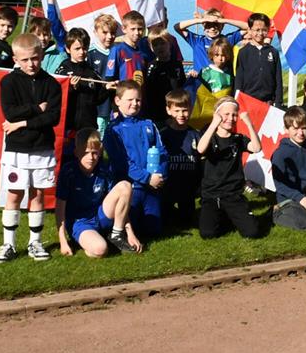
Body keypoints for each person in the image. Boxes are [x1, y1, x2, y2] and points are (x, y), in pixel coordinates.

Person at [0, 33, 62, 263]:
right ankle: (8, 244)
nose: (31, 64)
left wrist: (22, 123)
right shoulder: (8, 82)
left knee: (38, 194)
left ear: (41, 55)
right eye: (25, 60)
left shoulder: (51, 83)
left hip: (42, 148)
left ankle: (35, 242)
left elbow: (53, 118)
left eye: (35, 58)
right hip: (17, 150)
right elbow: (9, 112)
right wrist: (36, 109)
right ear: (15, 58)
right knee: (14, 194)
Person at [56, 128, 142, 257]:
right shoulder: (68, 172)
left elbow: (121, 204)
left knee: (125, 186)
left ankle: (116, 234)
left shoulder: (104, 168)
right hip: (81, 222)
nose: (91, 157)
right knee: (100, 250)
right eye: (86, 153)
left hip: (100, 214)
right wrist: (63, 241)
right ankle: (93, 240)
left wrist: (130, 233)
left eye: (94, 153)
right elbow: (60, 209)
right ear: (76, 152)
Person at [104, 80, 168, 237]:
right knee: (135, 229)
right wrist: (146, 178)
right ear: (117, 101)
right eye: (130, 100)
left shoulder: (148, 124)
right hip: (131, 188)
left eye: (138, 100)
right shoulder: (113, 130)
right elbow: (122, 163)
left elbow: (163, 152)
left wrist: (160, 174)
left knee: (154, 232)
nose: (134, 104)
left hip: (151, 187)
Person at [196, 97, 263, 239]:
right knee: (208, 234)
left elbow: (256, 148)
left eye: (234, 115)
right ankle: (225, 217)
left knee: (252, 232)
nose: (230, 118)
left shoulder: (238, 138)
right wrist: (214, 124)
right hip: (211, 194)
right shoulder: (208, 135)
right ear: (217, 114)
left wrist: (249, 123)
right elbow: (201, 149)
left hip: (232, 194)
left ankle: (235, 215)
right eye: (226, 114)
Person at [56, 28, 114, 147]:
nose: (81, 52)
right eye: (77, 49)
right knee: (69, 158)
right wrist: (71, 88)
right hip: (69, 126)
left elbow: (97, 99)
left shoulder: (91, 71)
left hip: (89, 124)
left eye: (84, 48)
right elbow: (56, 95)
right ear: (68, 49)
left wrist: (106, 89)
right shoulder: (63, 70)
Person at [159, 89, 201, 226]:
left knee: (187, 221)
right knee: (165, 220)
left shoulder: (195, 134)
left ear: (190, 109)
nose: (181, 115)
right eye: (177, 111)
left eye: (184, 110)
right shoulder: (163, 135)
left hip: (187, 185)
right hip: (168, 185)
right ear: (168, 110)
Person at [174, 9, 247, 74]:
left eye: (216, 25)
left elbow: (248, 27)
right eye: (208, 24)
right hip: (201, 84)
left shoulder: (227, 40)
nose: (212, 28)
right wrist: (200, 20)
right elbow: (177, 27)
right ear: (203, 25)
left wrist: (224, 20)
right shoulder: (197, 41)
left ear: (222, 26)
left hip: (222, 84)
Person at [232, 13, 282, 105]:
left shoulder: (273, 52)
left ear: (267, 30)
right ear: (250, 30)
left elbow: (278, 78)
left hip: (268, 102)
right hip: (248, 101)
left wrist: (278, 102)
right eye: (257, 30)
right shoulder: (243, 52)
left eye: (263, 30)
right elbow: (239, 79)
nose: (260, 33)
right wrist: (237, 100)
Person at [143, 33, 186, 122]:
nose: (159, 47)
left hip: (175, 110)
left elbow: (182, 85)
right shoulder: (151, 66)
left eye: (162, 43)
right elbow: (148, 90)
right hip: (156, 111)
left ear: (169, 44)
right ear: (151, 48)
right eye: (155, 45)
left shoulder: (177, 65)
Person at [104, 11, 153, 85]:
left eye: (140, 29)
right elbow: (109, 79)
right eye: (133, 29)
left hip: (142, 95)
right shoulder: (117, 50)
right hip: (125, 95)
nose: (137, 33)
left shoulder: (145, 49)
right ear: (124, 29)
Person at [90, 13, 118, 134]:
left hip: (116, 105)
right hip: (99, 108)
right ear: (95, 32)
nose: (109, 36)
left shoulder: (118, 51)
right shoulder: (89, 53)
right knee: (99, 140)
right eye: (105, 33)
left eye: (112, 33)